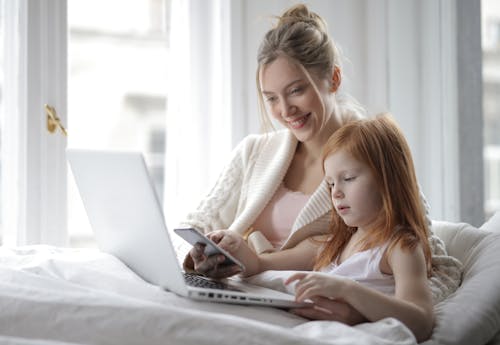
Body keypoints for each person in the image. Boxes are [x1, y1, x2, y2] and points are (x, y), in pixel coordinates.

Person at [180, 4, 461, 324]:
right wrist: (199, 260)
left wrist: (362, 310)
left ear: (334, 78)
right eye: (271, 98)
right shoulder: (254, 153)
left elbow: (437, 267)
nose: (285, 110)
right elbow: (194, 231)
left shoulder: (372, 157)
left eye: (296, 90)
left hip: (309, 310)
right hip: (244, 294)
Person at [208, 115, 434, 341]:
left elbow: (421, 320)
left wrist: (347, 290)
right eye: (331, 183)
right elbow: (260, 265)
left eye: (348, 178)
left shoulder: (400, 247)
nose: (335, 193)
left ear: (388, 179)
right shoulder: (333, 243)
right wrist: (234, 246)